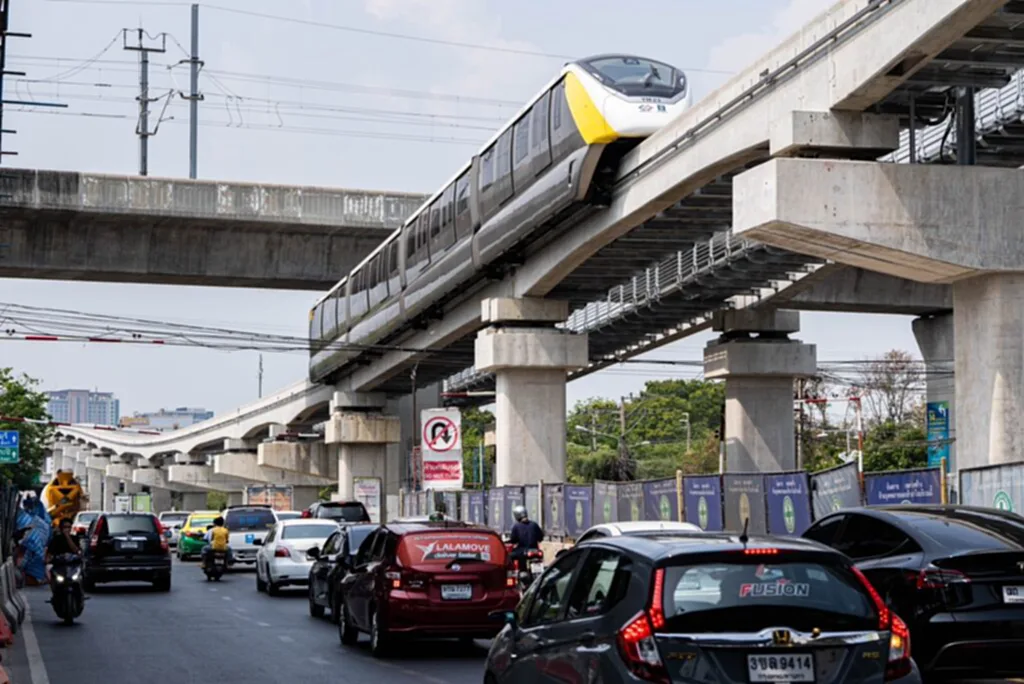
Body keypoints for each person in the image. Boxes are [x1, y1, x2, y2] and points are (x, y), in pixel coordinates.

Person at [45, 517, 81, 582]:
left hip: (72, 564)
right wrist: (48, 560)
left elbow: (76, 550)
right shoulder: (56, 539)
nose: (67, 529)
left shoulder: (75, 538)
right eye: (65, 527)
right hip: (59, 564)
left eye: (69, 527)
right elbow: (49, 553)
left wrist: (68, 537)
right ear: (61, 528)